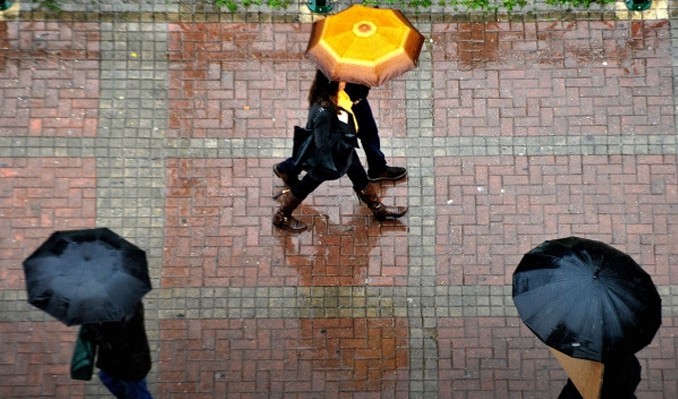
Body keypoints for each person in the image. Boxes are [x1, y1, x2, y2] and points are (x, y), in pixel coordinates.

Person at [272, 70, 407, 232]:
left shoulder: (339, 97)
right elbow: (322, 142)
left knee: (359, 176)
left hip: (343, 148)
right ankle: (282, 216)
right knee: (307, 184)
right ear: (331, 84)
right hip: (328, 158)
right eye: (341, 80)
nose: (346, 82)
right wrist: (341, 132)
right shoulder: (323, 111)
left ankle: (378, 209)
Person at [82, 302, 153, 399]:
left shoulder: (126, 313)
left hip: (132, 361)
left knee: (137, 391)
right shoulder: (123, 299)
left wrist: (93, 322)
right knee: (107, 378)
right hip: (116, 358)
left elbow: (115, 335)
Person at [343, 83, 407, 182]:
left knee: (369, 133)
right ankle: (363, 185)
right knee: (347, 145)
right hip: (343, 104)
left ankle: (377, 169)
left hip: (357, 98)